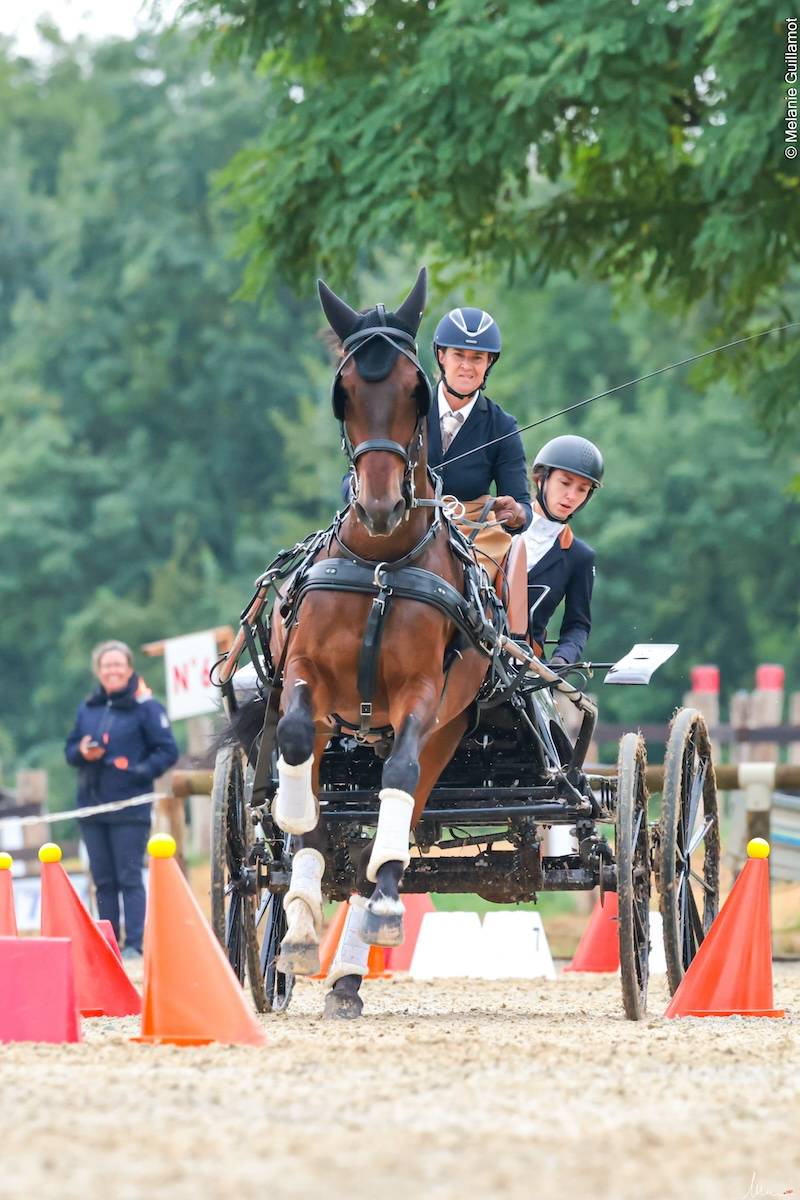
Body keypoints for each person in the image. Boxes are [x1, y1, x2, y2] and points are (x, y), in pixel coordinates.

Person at [64, 640, 178, 959]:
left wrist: (138, 771)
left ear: (128, 669)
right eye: (106, 665)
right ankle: (108, 944)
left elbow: (167, 751)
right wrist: (83, 752)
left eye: (118, 665)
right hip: (91, 807)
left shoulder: (147, 707)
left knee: (129, 878)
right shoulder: (87, 708)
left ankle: (134, 945)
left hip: (130, 808)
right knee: (103, 880)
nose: (112, 670)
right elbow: (69, 751)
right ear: (98, 671)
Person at [523, 435, 603, 665]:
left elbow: (578, 625)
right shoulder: (494, 527)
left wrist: (563, 659)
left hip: (524, 671)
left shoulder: (580, 557)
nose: (571, 496)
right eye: (565, 483)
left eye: (582, 489)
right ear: (541, 479)